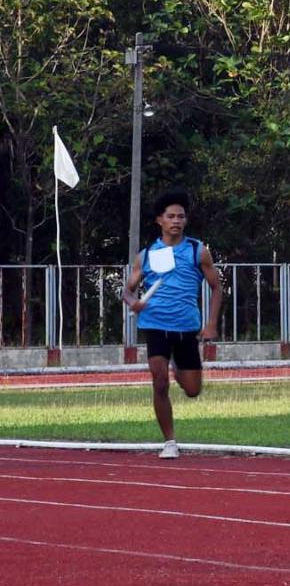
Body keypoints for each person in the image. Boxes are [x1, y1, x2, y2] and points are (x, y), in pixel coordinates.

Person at [119, 190, 224, 459]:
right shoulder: (146, 255)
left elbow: (216, 287)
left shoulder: (197, 251)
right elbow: (127, 291)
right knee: (159, 381)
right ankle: (170, 441)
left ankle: (178, 368)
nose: (176, 221)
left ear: (185, 220)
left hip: (186, 326)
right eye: (170, 216)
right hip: (155, 324)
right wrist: (133, 302)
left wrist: (211, 324)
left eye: (180, 216)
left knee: (192, 390)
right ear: (160, 220)